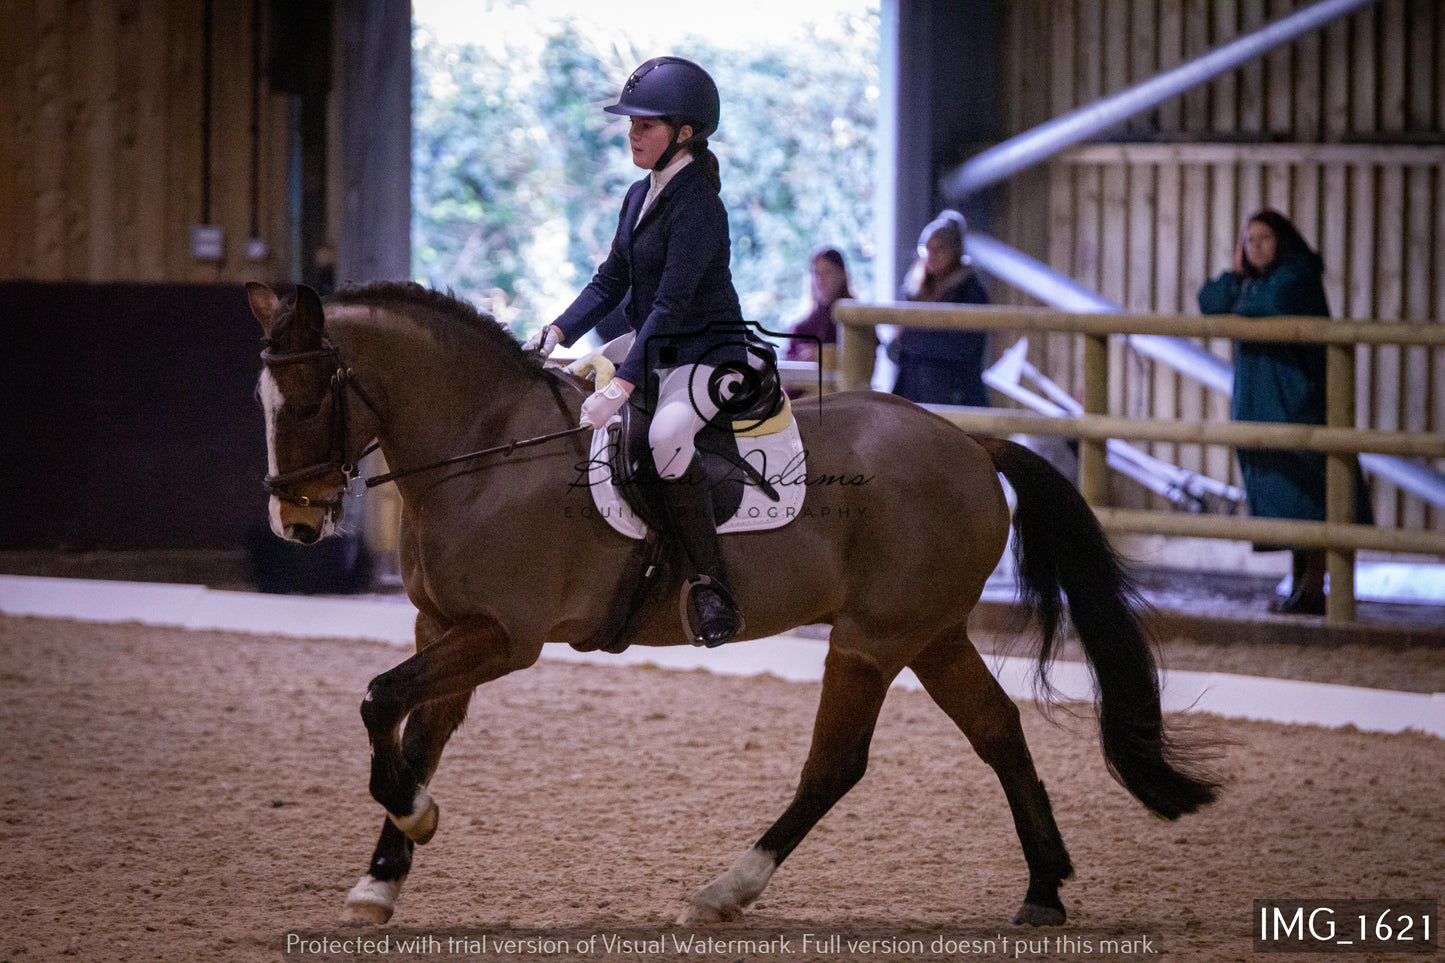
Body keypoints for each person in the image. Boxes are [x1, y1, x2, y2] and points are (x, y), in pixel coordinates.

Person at [523, 56, 743, 648]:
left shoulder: (700, 206)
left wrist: (620, 385)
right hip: (660, 345)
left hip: (706, 355)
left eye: (646, 125)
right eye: (631, 125)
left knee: (668, 437)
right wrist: (555, 334)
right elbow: (609, 282)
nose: (633, 135)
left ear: (685, 133)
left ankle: (711, 587)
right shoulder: (638, 195)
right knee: (564, 387)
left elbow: (671, 307)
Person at [1198, 209, 1371, 616]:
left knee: (1311, 495)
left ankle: (1315, 588)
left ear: (1283, 241)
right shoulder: (1254, 283)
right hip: (1263, 406)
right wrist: (1239, 278)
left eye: (1264, 238)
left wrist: (1242, 292)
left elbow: (1270, 302)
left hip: (1298, 404)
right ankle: (1302, 587)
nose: (1255, 246)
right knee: (1286, 498)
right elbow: (1209, 300)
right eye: (1249, 239)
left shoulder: (1297, 278)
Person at [890, 211, 991, 407]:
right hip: (913, 395)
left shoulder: (970, 293)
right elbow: (895, 349)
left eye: (940, 248)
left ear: (955, 250)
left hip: (954, 397)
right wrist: (903, 341)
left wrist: (908, 337)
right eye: (927, 249)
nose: (932, 256)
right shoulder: (915, 291)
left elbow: (960, 347)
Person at [785, 247, 851, 362]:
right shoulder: (802, 328)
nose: (820, 280)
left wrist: (826, 355)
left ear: (842, 275)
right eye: (816, 273)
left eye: (827, 272)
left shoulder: (855, 320)